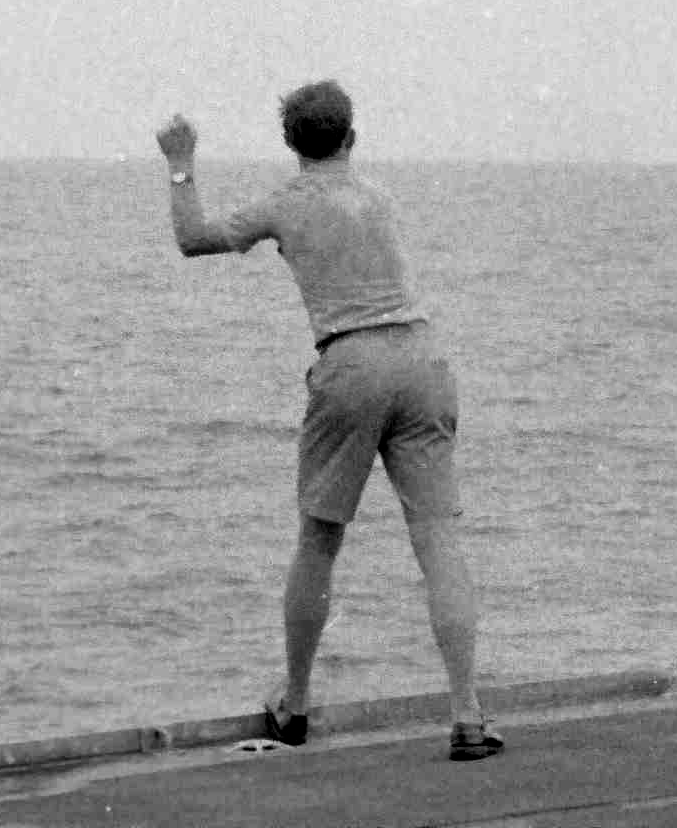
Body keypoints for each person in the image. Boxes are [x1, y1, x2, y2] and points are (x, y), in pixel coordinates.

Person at [154, 82, 501, 760]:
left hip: (350, 363)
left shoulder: (287, 203)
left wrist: (180, 162)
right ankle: (467, 717)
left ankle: (298, 706)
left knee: (319, 540)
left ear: (291, 144)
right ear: (353, 135)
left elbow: (192, 239)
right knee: (438, 544)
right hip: (422, 357)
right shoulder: (380, 199)